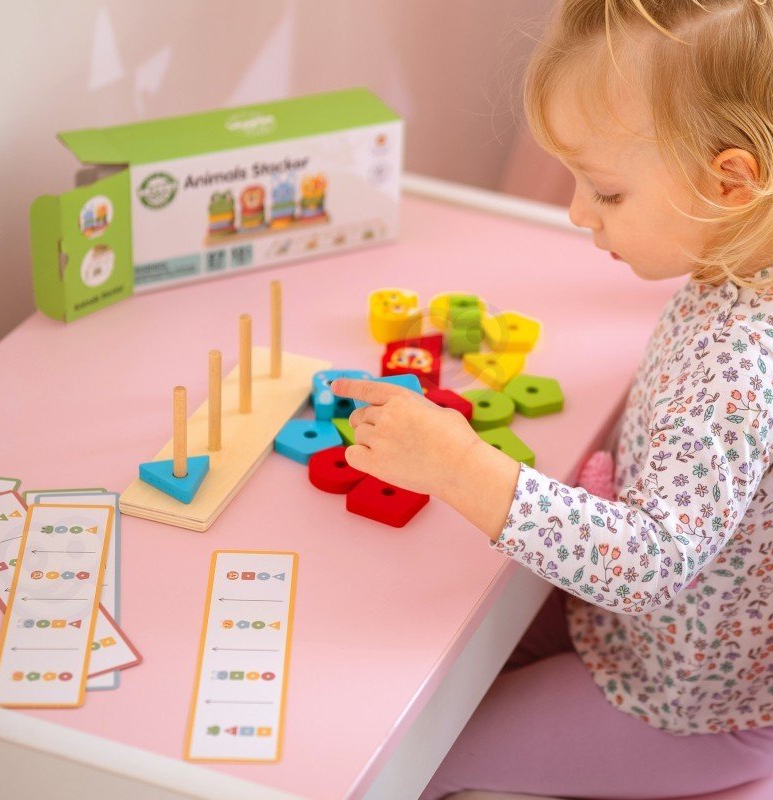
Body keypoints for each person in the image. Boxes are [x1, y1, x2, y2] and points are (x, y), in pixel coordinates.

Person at [331, 1, 773, 797]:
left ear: (731, 183)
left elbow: (651, 562)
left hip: (686, 704)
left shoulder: (742, 356)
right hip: (631, 634)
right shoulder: (740, 263)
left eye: (606, 191)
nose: (575, 211)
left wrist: (459, 465)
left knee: (406, 768)